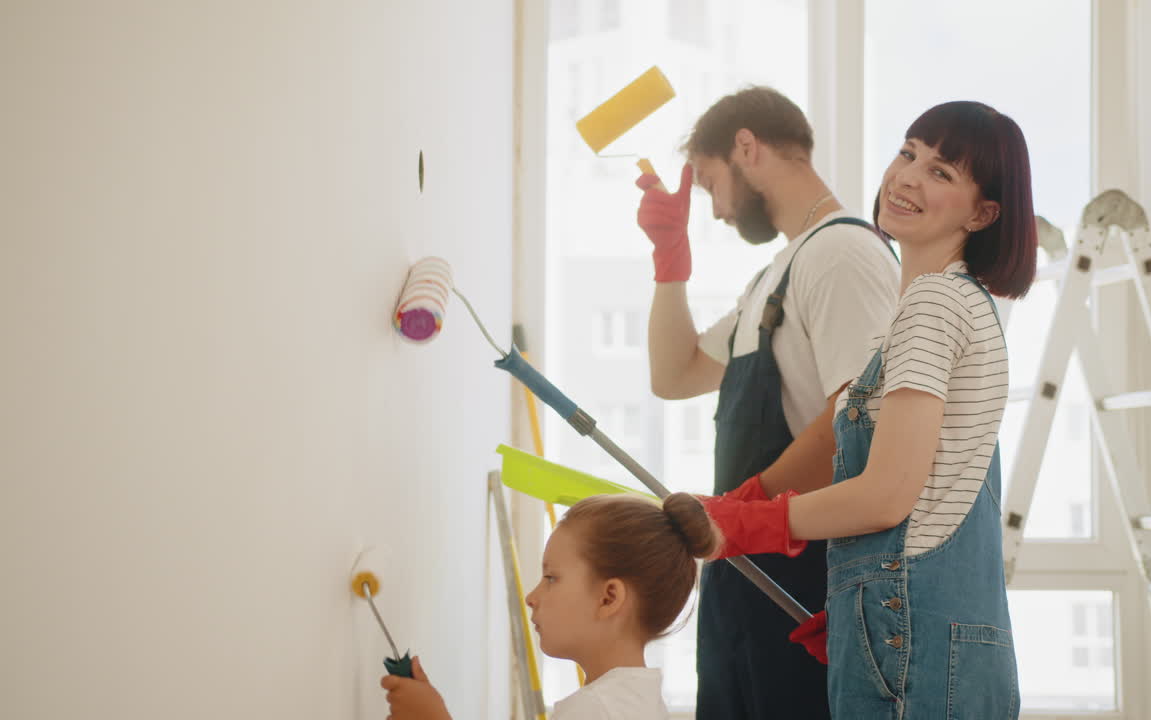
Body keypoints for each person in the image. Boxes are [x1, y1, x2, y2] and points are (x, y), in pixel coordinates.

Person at [699, 100, 1037, 719]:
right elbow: (939, 495)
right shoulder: (957, 304)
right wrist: (858, 605)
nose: (907, 177)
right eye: (908, 153)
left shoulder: (933, 307)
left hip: (916, 648)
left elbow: (886, 496)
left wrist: (749, 521)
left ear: (983, 213)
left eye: (940, 172)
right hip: (931, 638)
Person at [636, 86, 900, 719]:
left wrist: (747, 509)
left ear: (746, 147)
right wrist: (669, 264)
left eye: (710, 183)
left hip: (808, 585)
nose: (716, 210)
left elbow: (860, 423)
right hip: (748, 582)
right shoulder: (775, 276)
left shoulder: (841, 255)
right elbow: (674, 374)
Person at [381, 492, 717, 720]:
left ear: (609, 598)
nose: (532, 596)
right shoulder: (636, 702)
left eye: (551, 578)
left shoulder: (595, 711)